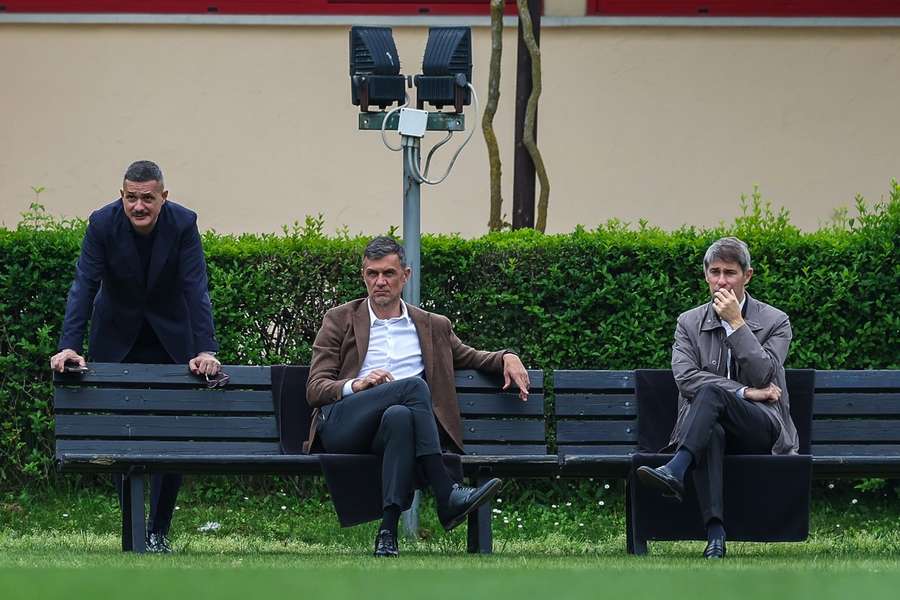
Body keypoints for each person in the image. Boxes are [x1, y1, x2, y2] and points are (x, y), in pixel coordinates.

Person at [306, 236, 530, 557]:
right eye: (372, 274)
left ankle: (387, 533)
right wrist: (356, 385)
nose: (380, 282)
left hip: (388, 430)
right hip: (344, 424)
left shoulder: (431, 325)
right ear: (363, 275)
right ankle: (445, 493)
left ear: (405, 275)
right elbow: (315, 388)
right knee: (413, 387)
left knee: (401, 416)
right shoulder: (340, 318)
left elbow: (471, 356)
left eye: (388, 274)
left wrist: (508, 356)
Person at [49, 160, 220, 553]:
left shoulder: (183, 223)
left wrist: (205, 349)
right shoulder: (101, 224)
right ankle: (133, 531)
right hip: (116, 337)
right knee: (121, 437)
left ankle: (158, 530)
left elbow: (196, 288)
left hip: (170, 340)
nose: (138, 206)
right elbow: (84, 286)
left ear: (164, 196)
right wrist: (69, 344)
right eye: (130, 197)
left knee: (171, 437)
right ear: (121, 195)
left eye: (147, 198)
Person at [636, 236, 798, 559]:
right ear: (706, 276)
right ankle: (715, 536)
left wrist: (737, 323)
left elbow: (764, 374)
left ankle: (676, 468)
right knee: (712, 427)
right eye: (715, 272)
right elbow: (685, 378)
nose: (721, 281)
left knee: (711, 392)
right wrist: (743, 391)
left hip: (760, 426)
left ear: (747, 276)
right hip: (706, 430)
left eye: (730, 273)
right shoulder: (688, 323)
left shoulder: (776, 322)